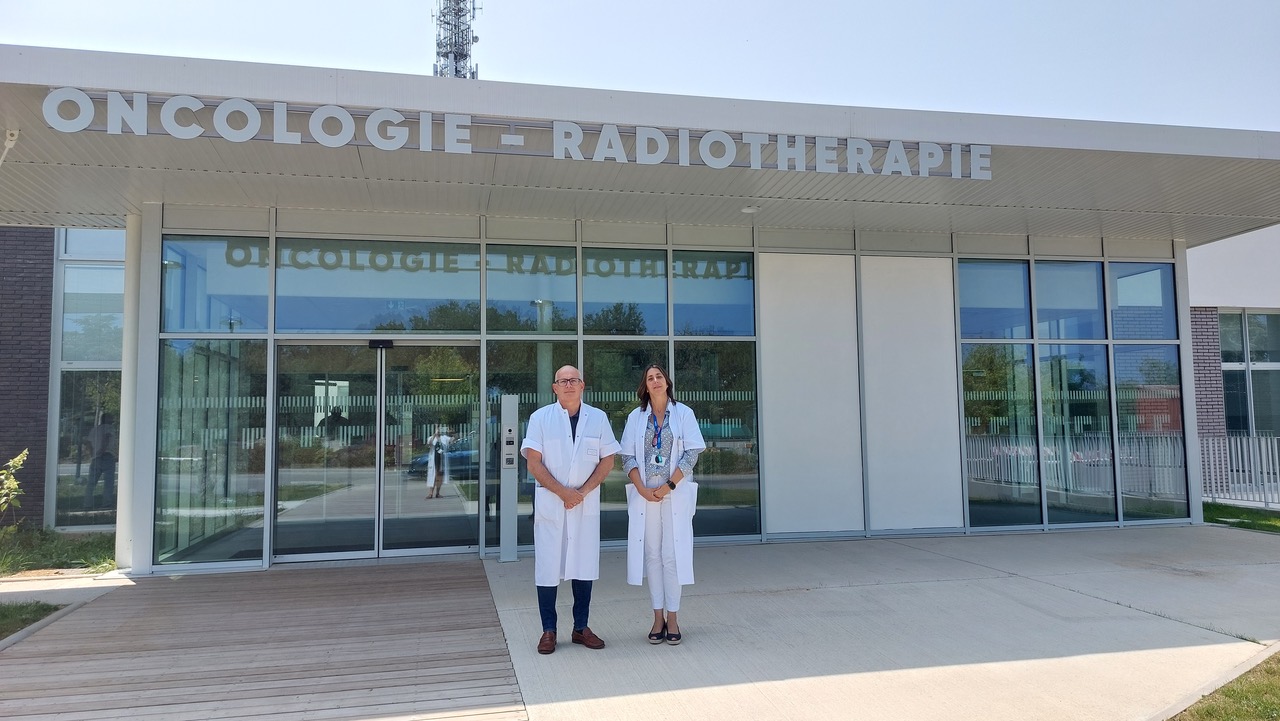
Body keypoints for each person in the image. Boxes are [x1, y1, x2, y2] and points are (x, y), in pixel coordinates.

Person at [521, 365, 620, 655]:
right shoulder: (540, 418)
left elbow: (607, 461)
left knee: (583, 565)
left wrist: (582, 493)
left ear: (582, 385)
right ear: (554, 388)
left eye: (573, 380)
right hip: (553, 502)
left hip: (584, 503)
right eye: (562, 381)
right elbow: (534, 463)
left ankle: (581, 628)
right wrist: (563, 492)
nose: (568, 385)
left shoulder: (598, 418)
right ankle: (548, 630)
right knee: (548, 567)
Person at [620, 364, 705, 646]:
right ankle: (657, 616)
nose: (655, 381)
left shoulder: (684, 414)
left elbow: (691, 454)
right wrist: (643, 489)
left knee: (672, 555)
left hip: (674, 492)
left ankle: (673, 618)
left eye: (659, 376)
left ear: (667, 382)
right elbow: (627, 457)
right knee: (652, 555)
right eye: (649, 378)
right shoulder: (636, 417)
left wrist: (669, 485)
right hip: (646, 495)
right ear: (645, 387)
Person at [83, 412, 118, 510]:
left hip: (95, 458)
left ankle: (87, 504)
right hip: (107, 455)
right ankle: (106, 504)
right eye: (111, 418)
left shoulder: (95, 430)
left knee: (91, 483)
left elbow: (88, 442)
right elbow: (106, 438)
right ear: (107, 419)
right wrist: (102, 450)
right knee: (108, 482)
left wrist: (93, 454)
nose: (113, 420)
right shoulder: (109, 428)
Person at [425, 426, 452, 499]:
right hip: (433, 460)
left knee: (439, 476)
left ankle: (437, 493)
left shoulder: (444, 438)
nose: (438, 431)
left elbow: (452, 440)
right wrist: (434, 435)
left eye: (439, 429)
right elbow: (429, 444)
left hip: (441, 460)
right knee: (432, 476)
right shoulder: (431, 438)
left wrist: (452, 432)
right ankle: (430, 493)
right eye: (437, 429)